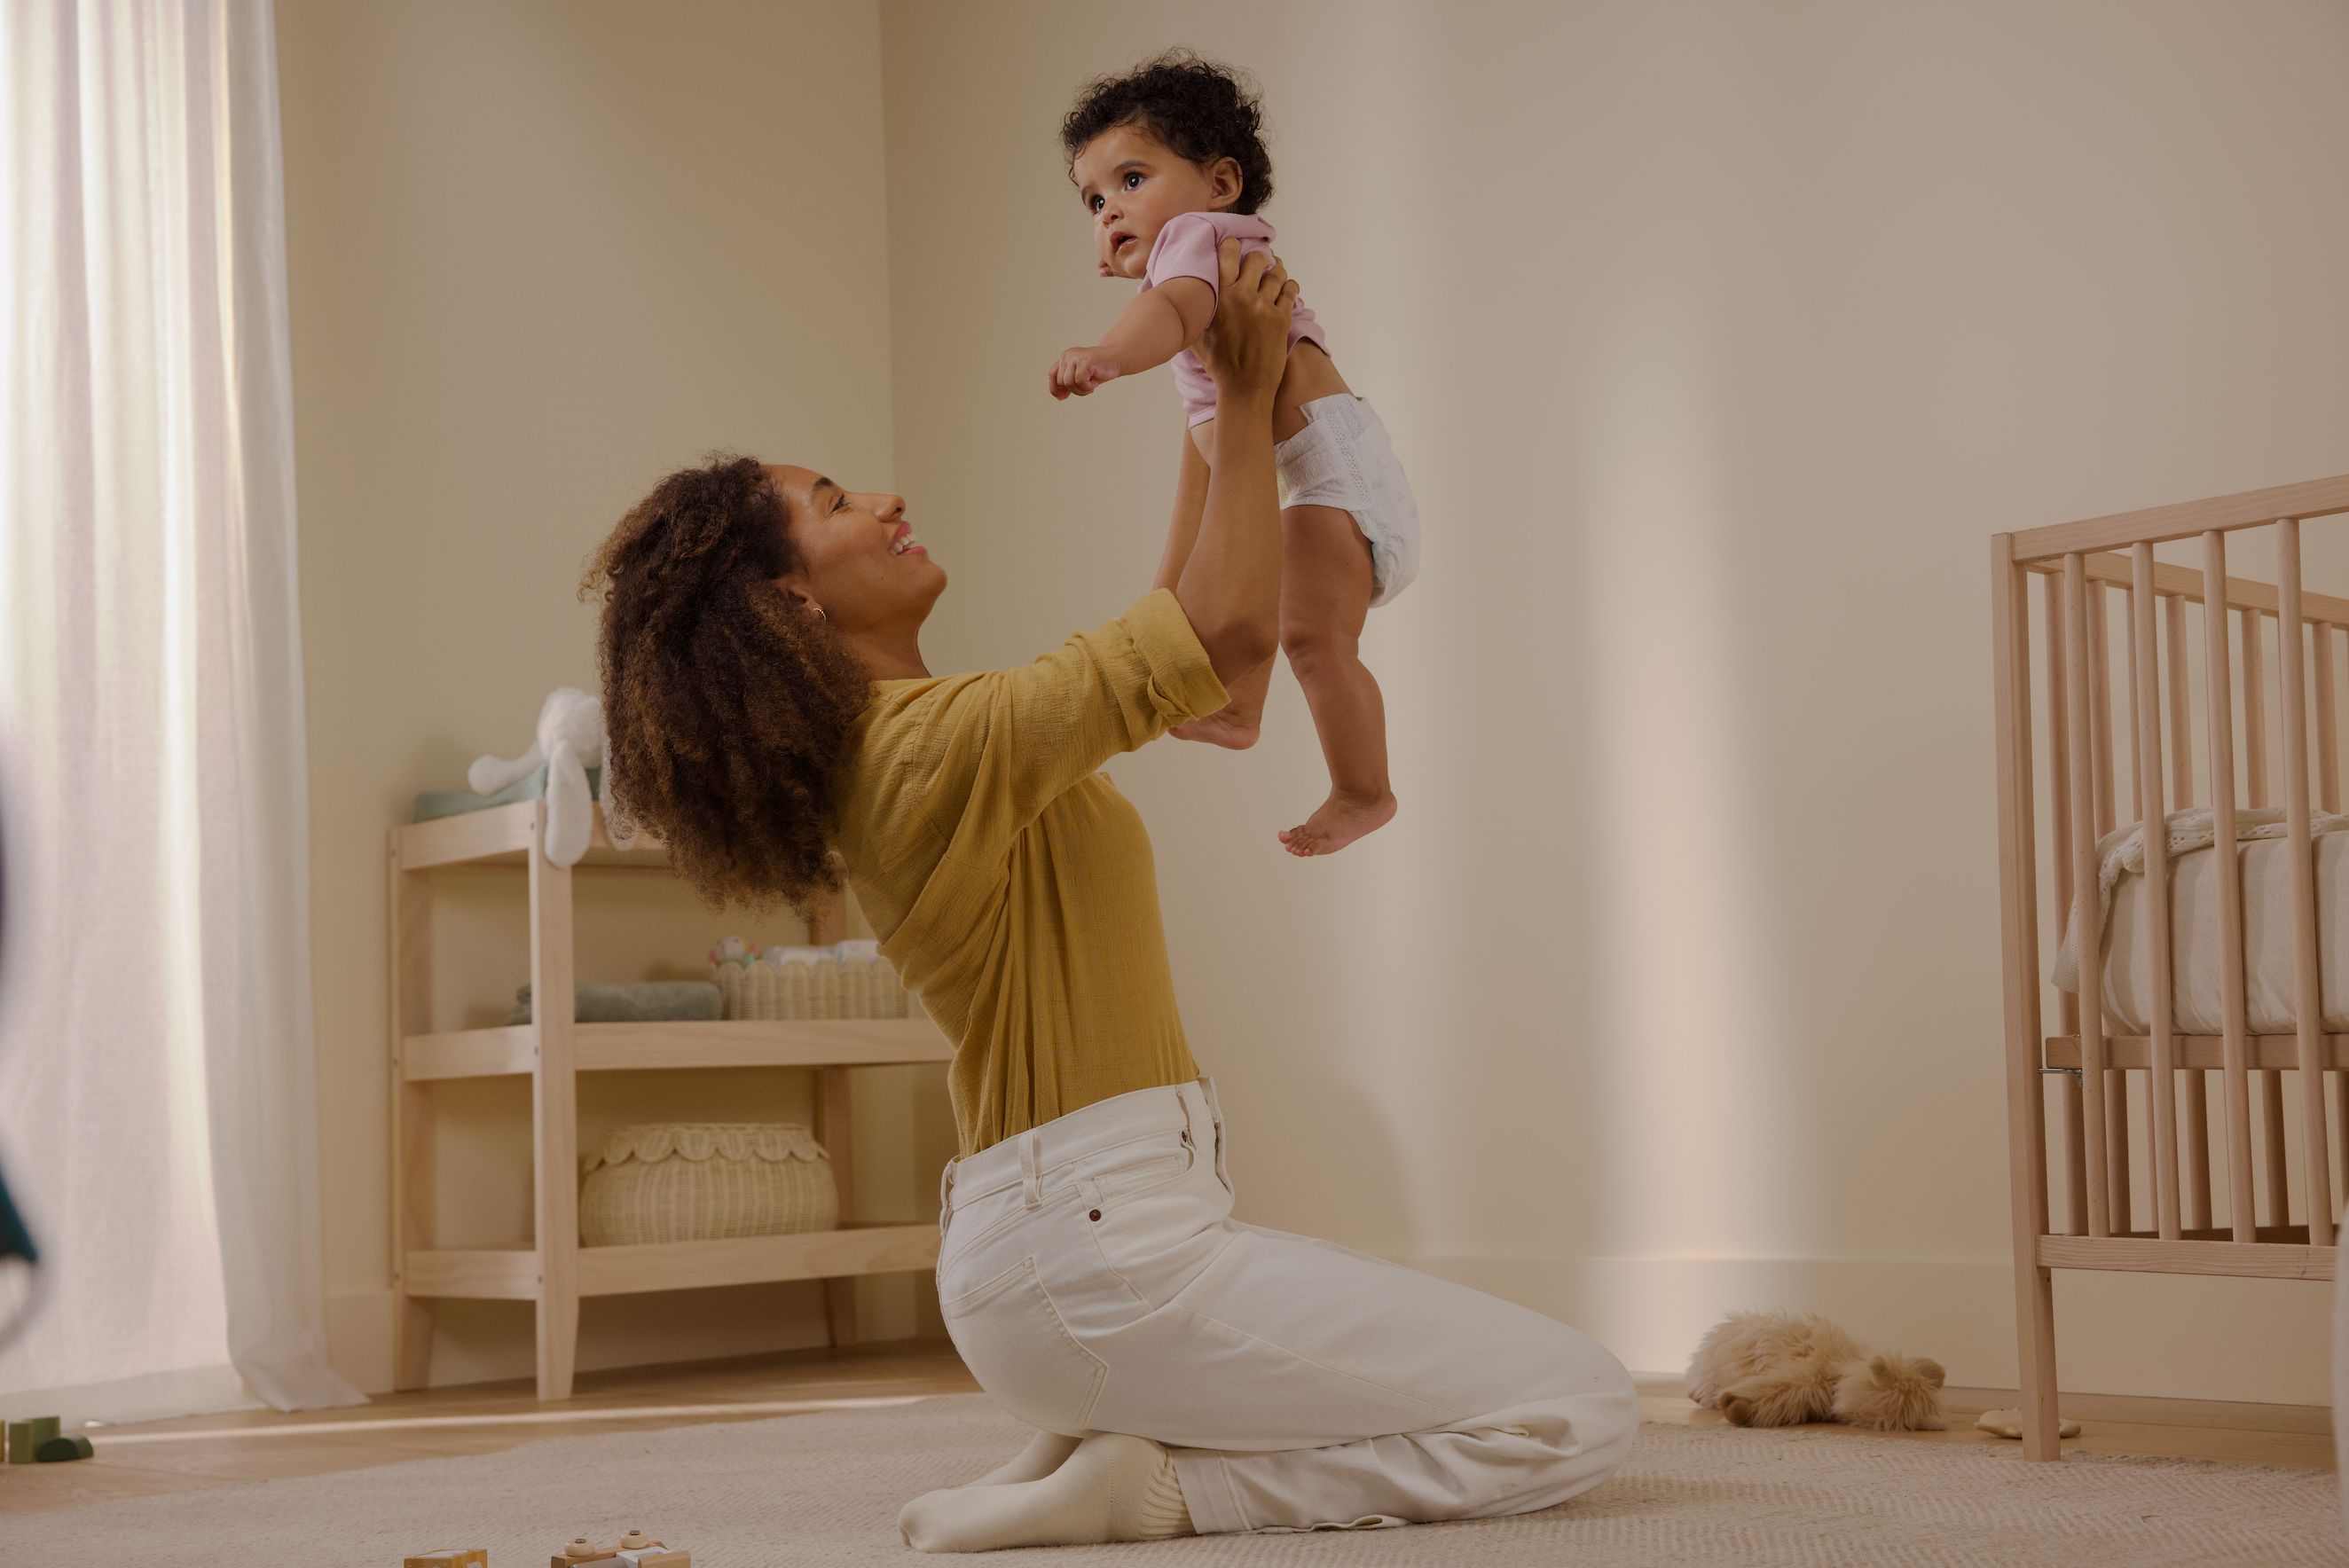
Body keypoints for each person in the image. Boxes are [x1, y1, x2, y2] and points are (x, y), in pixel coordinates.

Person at [585, 241, 1634, 1552]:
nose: (889, 500)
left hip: (1091, 1253)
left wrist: (1209, 398)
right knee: (1577, 1403)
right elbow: (1218, 633)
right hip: (1094, 1262)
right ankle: (1165, 1487)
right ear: (790, 594)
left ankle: (1095, 1442)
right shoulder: (925, 749)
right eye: (839, 501)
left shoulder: (933, 739)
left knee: (1455, 1384)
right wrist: (1244, 394)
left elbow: (1189, 620)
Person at [1048, 51, 1418, 858]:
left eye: (1132, 180)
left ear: (1220, 184)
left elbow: (1175, 314)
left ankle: (1365, 790)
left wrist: (1108, 353)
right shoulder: (1191, 253)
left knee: (1316, 640)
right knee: (1270, 601)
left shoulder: (1199, 244)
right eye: (1095, 201)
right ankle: (1240, 708)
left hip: (1333, 470)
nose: (1110, 210)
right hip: (1318, 470)